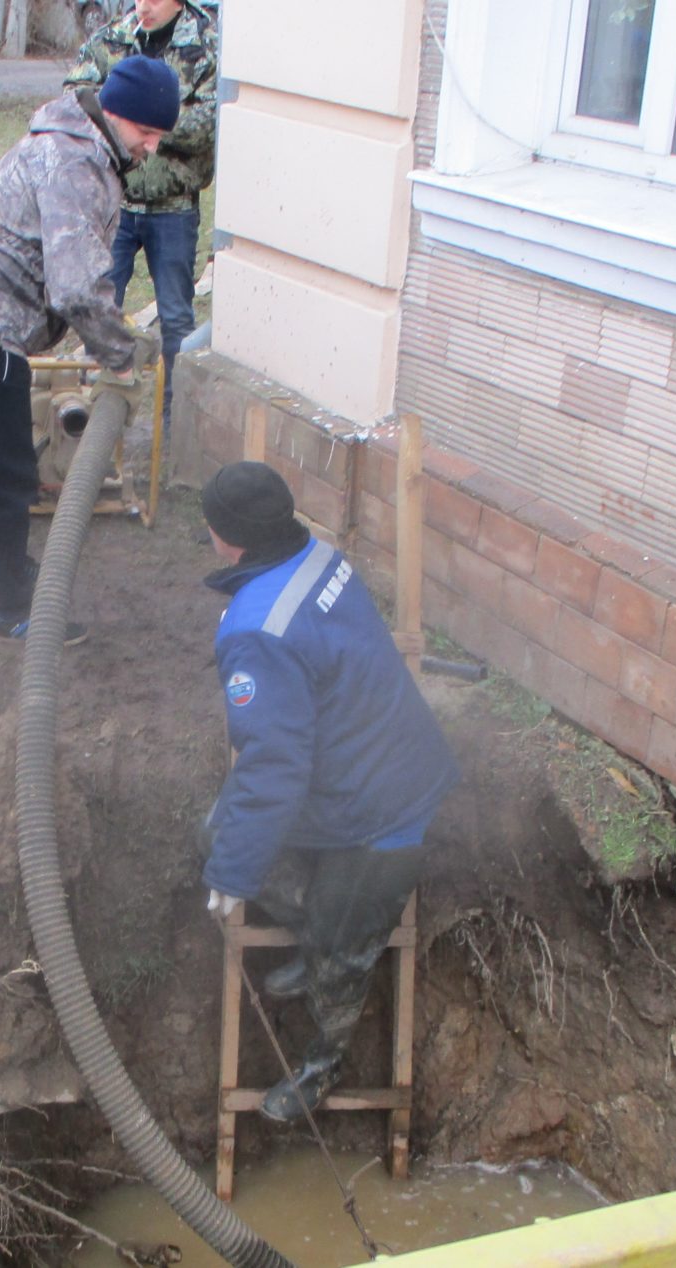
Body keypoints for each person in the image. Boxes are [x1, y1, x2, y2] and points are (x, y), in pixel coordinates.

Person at [196, 461, 459, 1122]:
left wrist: (234, 874)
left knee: (344, 947)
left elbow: (274, 766)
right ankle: (313, 936)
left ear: (230, 541)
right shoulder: (315, 554)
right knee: (217, 833)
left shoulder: (256, 628)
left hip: (382, 810)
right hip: (365, 757)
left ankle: (322, 1057)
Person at [0, 57, 180, 643]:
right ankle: (12, 610)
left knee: (7, 468)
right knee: (3, 475)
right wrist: (119, 356)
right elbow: (77, 286)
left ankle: (16, 580)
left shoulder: (81, 146)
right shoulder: (75, 162)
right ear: (117, 114)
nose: (152, 149)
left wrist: (114, 343)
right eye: (147, 133)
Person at [64, 0, 218, 428]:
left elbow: (210, 121)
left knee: (176, 318)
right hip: (116, 200)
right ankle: (88, 413)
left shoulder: (206, 45)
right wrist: (156, 116)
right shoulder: (111, 38)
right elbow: (76, 99)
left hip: (174, 206)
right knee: (97, 308)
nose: (144, 7)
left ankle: (174, 422)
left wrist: (134, 118)